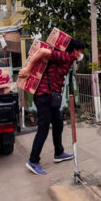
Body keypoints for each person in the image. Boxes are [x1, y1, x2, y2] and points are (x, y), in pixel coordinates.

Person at [19, 39, 85, 175]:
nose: (81, 54)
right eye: (80, 51)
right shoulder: (65, 56)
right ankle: (33, 160)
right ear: (73, 50)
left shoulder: (68, 59)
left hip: (51, 97)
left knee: (58, 123)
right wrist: (28, 69)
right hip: (44, 96)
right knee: (43, 128)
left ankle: (59, 152)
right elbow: (42, 51)